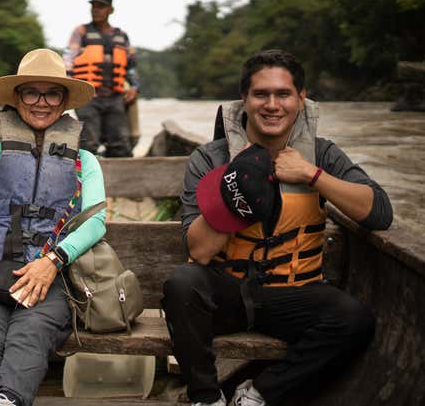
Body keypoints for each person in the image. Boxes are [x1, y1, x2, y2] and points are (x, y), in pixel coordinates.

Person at [161, 50, 393, 406]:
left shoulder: (323, 154)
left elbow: (378, 213)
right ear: (244, 100)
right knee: (181, 283)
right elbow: (199, 251)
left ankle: (258, 394)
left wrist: (311, 175)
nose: (272, 105)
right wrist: (240, 194)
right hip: (228, 292)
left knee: (354, 319)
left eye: (283, 94)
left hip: (295, 293)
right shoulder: (210, 158)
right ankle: (206, 398)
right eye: (261, 94)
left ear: (301, 99)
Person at [0, 48, 107, 406]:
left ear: (64, 101)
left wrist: (53, 261)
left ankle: (3, 399)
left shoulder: (84, 160)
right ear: (17, 97)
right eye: (31, 92)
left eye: (52, 93)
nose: (41, 102)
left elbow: (95, 222)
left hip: (49, 275)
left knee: (30, 337)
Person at [63, 0, 139, 157]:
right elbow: (68, 57)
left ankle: (122, 177)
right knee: (88, 143)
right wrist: (68, 83)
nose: (96, 10)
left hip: (115, 97)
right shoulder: (81, 32)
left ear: (110, 10)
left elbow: (131, 66)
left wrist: (134, 87)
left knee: (119, 143)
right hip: (88, 97)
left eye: (101, 6)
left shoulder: (121, 35)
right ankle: (83, 176)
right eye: (94, 6)